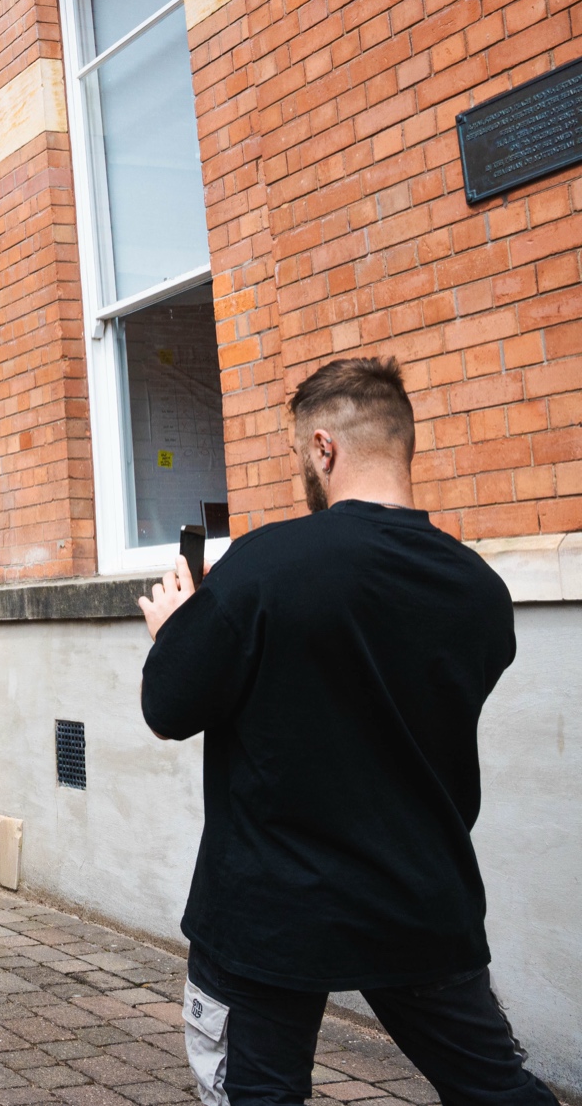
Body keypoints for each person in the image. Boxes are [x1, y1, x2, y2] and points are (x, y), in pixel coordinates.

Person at [137, 357, 556, 1106]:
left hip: (270, 908)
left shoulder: (264, 563)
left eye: (303, 454)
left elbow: (171, 706)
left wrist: (177, 627)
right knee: (497, 1090)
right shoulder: (480, 592)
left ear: (323, 448)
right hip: (419, 895)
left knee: (260, 1095)